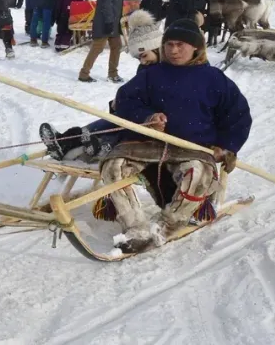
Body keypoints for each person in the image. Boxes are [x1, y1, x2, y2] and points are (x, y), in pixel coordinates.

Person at [101, 18, 250, 253]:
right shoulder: (152, 74)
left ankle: (166, 226)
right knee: (113, 167)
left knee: (197, 175)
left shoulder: (214, 79)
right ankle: (136, 228)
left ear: (196, 48)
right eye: (169, 44)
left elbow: (238, 116)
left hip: (193, 147)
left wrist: (226, 145)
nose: (173, 50)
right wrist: (147, 117)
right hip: (148, 144)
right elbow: (124, 101)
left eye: (180, 45)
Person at [40, 9, 163, 161]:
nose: (143, 61)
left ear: (156, 47)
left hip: (152, 122)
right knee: (116, 119)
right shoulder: (147, 67)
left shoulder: (163, 70)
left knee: (120, 121)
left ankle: (88, 143)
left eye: (144, 55)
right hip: (139, 116)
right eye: (139, 59)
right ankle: (70, 141)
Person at [79, 0, 127, 83]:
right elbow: (106, 1)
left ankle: (113, 74)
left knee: (116, 46)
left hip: (112, 20)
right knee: (98, 47)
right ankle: (84, 73)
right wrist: (109, 20)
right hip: (107, 19)